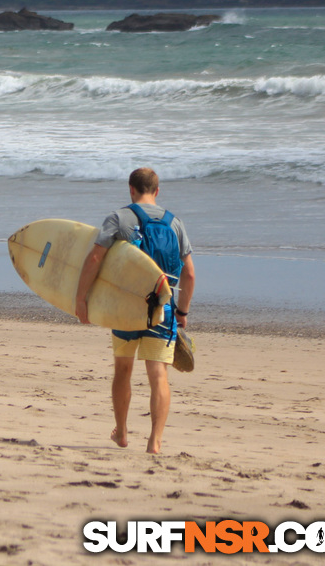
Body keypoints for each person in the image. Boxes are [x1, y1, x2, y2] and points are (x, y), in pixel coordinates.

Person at [74, 168, 196, 454]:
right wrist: (182, 312)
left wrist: (81, 298)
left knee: (123, 370)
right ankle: (154, 442)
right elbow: (189, 274)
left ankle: (123, 433)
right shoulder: (175, 223)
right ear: (157, 190)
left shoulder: (119, 218)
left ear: (131, 189)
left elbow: (95, 258)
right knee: (158, 376)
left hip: (126, 307)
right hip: (162, 309)